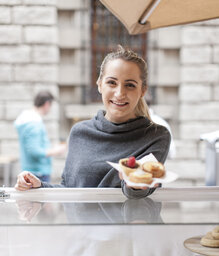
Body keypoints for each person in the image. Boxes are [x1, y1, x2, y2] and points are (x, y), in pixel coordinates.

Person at [15, 46, 171, 199]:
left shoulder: (157, 136)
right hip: (80, 225)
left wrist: (135, 186)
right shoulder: (79, 132)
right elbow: (68, 189)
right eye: (112, 82)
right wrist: (39, 186)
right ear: (99, 84)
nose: (119, 93)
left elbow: (141, 192)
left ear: (143, 90)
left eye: (130, 85)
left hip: (130, 224)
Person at [14, 91, 66, 182]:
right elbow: (34, 151)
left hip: (33, 172)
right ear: (46, 104)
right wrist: (55, 151)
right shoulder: (34, 124)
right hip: (37, 174)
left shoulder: (29, 121)